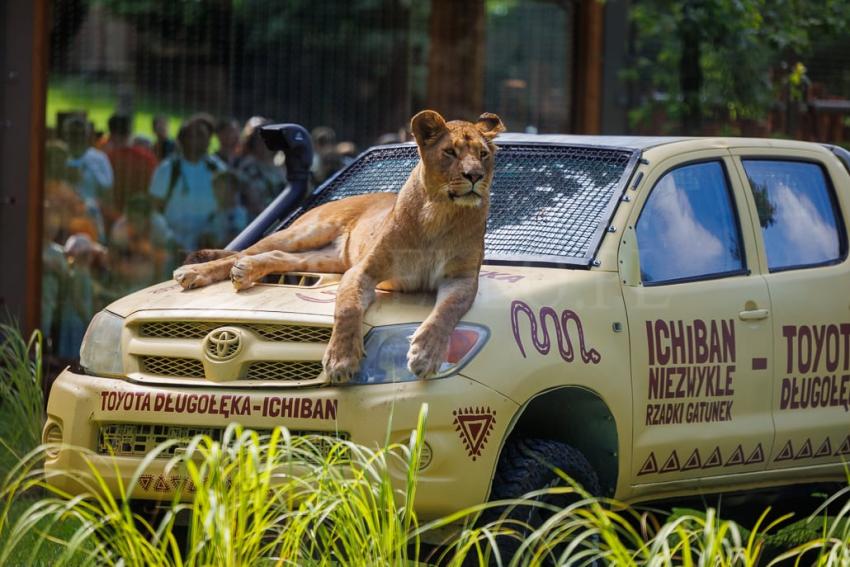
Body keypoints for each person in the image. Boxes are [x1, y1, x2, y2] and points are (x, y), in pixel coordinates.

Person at [149, 113, 226, 256]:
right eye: (192, 135)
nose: (198, 140)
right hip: (171, 250)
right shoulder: (167, 169)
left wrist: (212, 234)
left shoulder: (218, 170)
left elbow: (227, 207)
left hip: (208, 248)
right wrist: (169, 240)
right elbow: (154, 209)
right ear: (181, 139)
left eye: (203, 135)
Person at [108, 193, 175, 295]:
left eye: (137, 220)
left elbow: (165, 262)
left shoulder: (159, 227)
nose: (132, 224)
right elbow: (112, 259)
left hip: (153, 279)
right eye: (130, 220)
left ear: (147, 218)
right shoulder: (120, 228)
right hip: (126, 281)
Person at [105, 113, 157, 234]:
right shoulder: (148, 158)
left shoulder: (106, 159)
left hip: (114, 220)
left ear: (111, 134)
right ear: (130, 133)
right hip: (143, 219)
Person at [63, 116, 112, 242]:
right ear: (66, 135)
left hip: (91, 219)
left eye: (81, 134)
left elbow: (108, 192)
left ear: (88, 136)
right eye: (73, 133)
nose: (77, 138)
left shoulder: (99, 159)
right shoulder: (59, 157)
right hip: (64, 219)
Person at [236, 116, 287, 217]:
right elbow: (254, 203)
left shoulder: (279, 167)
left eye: (269, 139)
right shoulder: (248, 168)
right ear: (252, 141)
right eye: (260, 139)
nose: (264, 143)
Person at [197, 170, 249, 249]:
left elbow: (233, 243)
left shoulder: (244, 216)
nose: (218, 192)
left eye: (222, 187)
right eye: (216, 188)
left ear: (234, 190)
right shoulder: (212, 217)